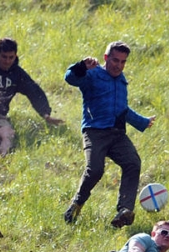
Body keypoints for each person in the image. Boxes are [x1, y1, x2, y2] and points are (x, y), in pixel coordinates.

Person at [62, 41, 156, 228]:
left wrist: (142, 122)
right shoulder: (92, 74)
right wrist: (82, 66)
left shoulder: (121, 81)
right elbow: (70, 78)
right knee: (95, 169)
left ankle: (124, 210)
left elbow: (123, 109)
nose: (118, 65)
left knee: (133, 163)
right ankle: (77, 204)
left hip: (117, 134)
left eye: (123, 62)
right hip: (95, 132)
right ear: (106, 58)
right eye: (115, 60)